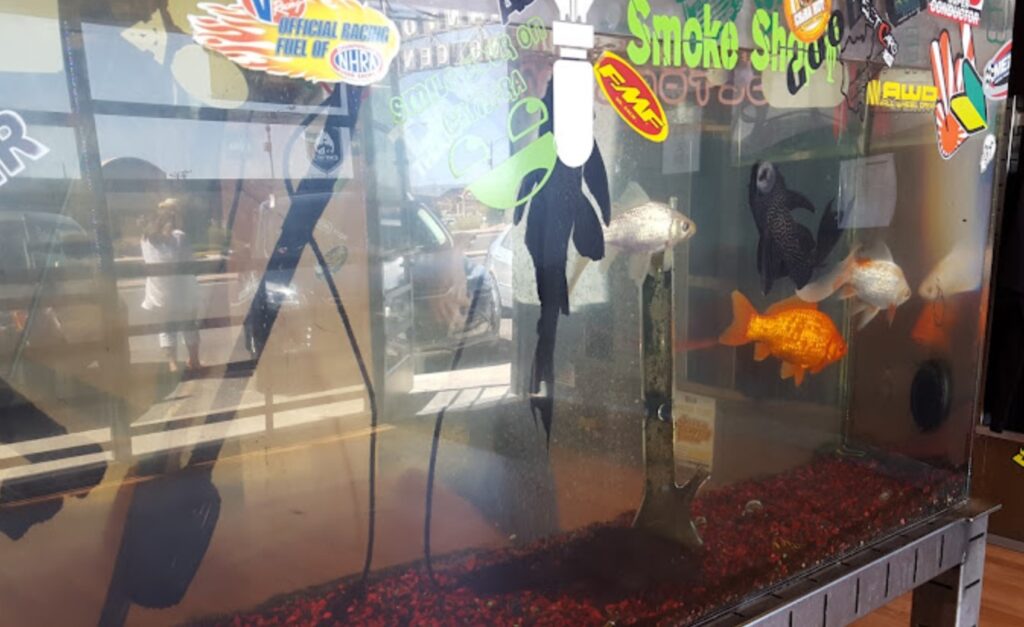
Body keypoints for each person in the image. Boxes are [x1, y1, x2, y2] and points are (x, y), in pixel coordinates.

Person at [140, 198, 202, 374]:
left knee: (166, 328)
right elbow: (189, 262)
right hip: (182, 292)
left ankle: (172, 365)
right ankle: (194, 361)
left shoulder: (145, 238)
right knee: (189, 326)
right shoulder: (179, 237)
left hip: (158, 293)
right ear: (175, 217)